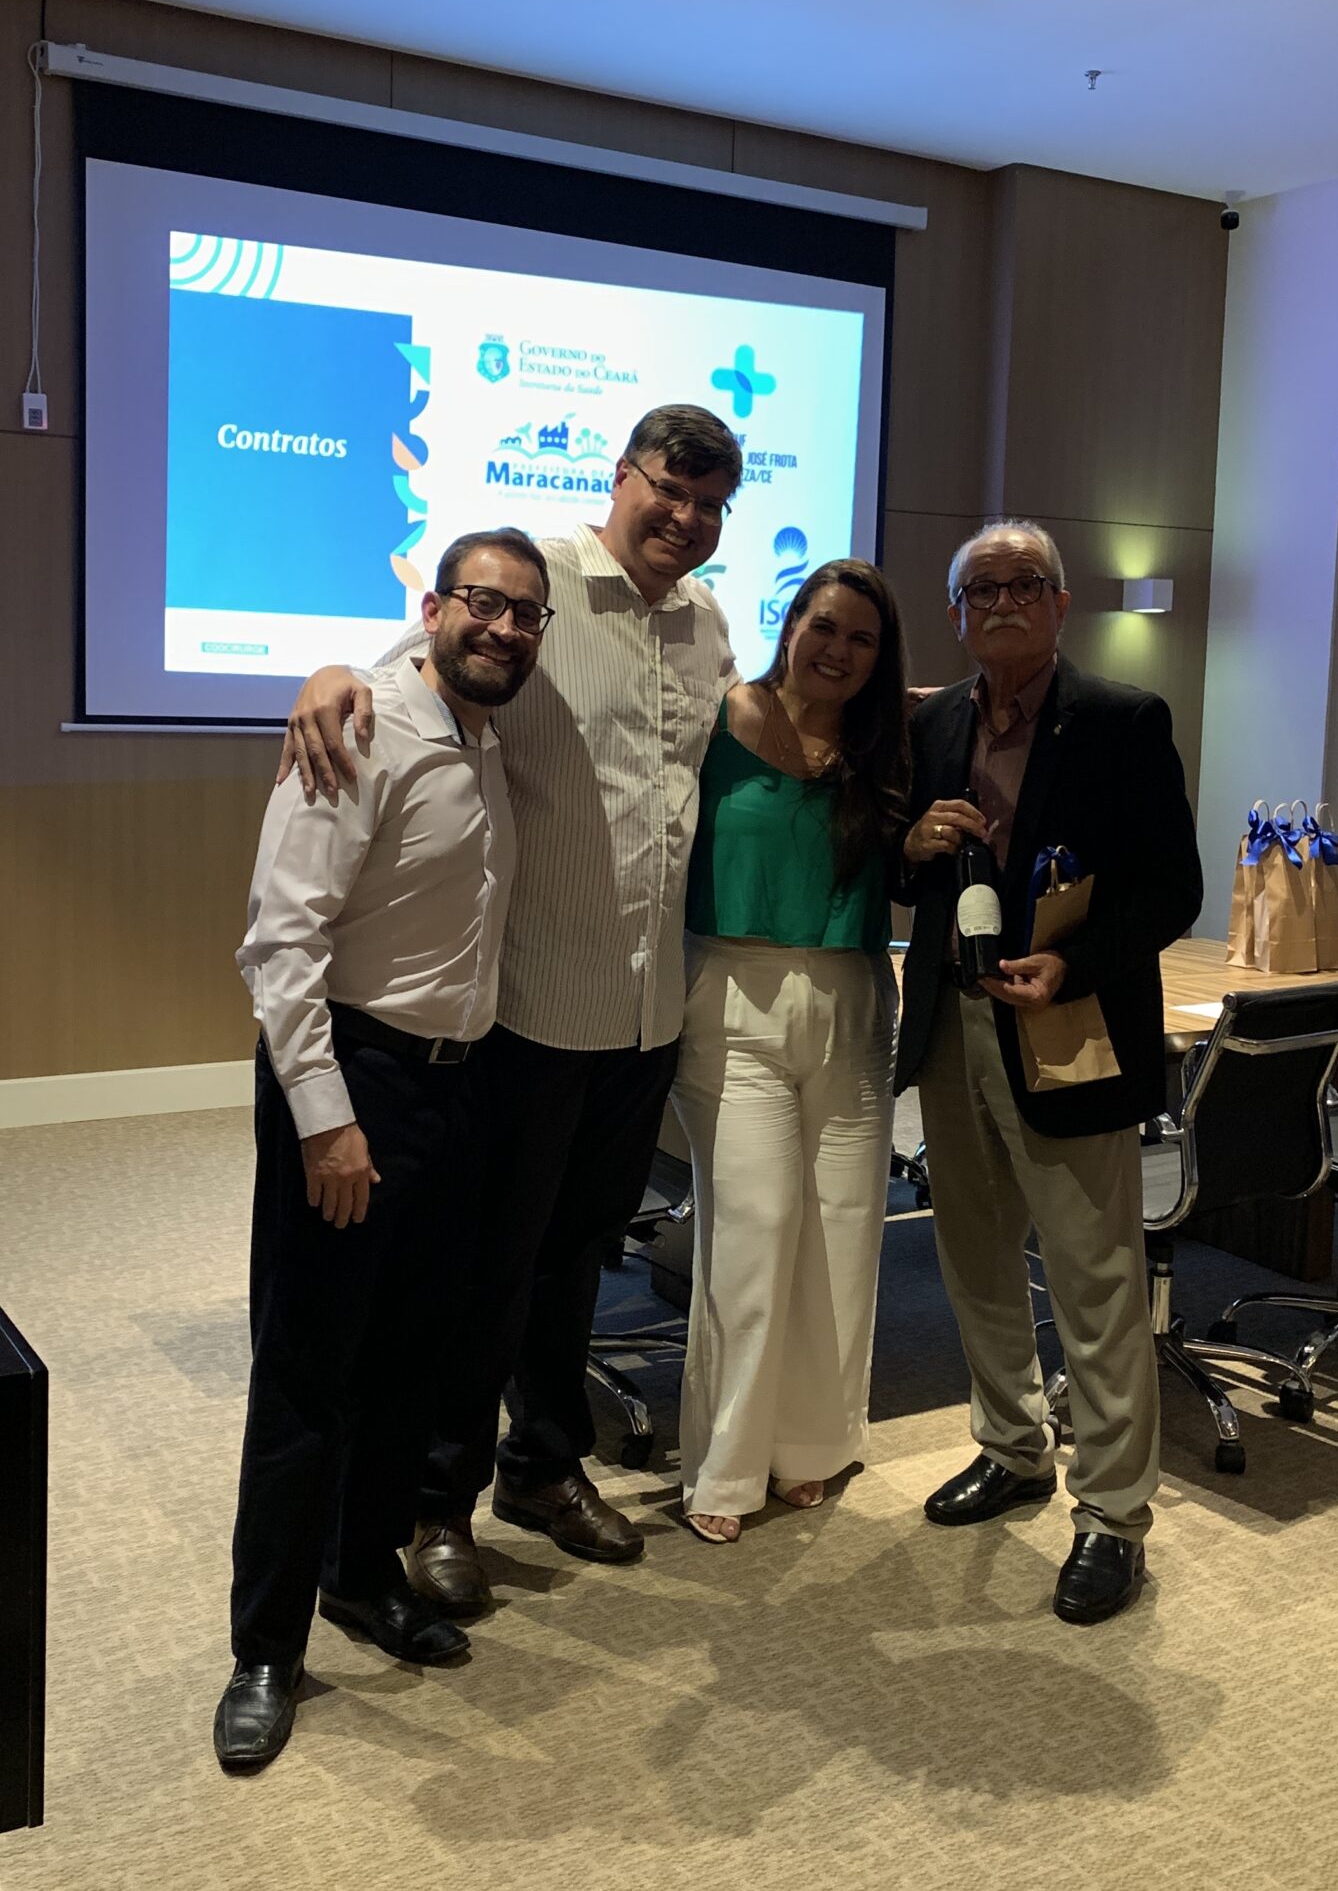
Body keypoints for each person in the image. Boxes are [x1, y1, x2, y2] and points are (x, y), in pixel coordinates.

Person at [280, 406, 742, 1593]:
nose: (684, 518)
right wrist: (330, 677)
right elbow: (409, 669)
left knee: (581, 1253)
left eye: (709, 504)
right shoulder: (539, 587)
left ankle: (544, 1464)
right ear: (622, 477)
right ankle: (441, 1499)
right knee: (491, 1265)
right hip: (534, 1003)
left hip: (645, 1010)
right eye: (668, 489)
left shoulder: (706, 622)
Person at [215, 529, 550, 1772]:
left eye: (526, 612)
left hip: (457, 1089)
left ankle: (361, 1577)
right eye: (481, 603)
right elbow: (278, 942)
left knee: (411, 1357)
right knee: (308, 1370)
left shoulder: (485, 735)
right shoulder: (357, 728)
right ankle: (265, 1649)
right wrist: (327, 1115)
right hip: (354, 1080)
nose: (502, 627)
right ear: (436, 606)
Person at [895, 518, 1203, 1625]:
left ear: (1062, 604)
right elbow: (902, 871)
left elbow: (1171, 888)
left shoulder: (1122, 719)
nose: (1003, 602)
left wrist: (1074, 964)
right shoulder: (932, 721)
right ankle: (1012, 1447)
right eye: (981, 588)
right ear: (956, 613)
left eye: (1025, 584)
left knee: (1094, 1278)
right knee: (975, 1259)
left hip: (1070, 1028)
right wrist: (914, 847)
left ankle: (1114, 1513)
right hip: (953, 1022)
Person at [671, 560, 909, 1543]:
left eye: (862, 638)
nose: (838, 650)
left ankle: (811, 1444)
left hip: (853, 996)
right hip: (733, 996)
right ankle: (725, 1466)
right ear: (790, 621)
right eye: (825, 626)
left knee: (843, 1231)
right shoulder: (717, 718)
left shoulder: (886, 747)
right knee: (754, 1230)